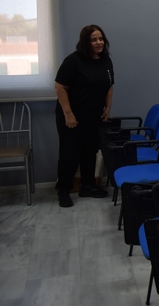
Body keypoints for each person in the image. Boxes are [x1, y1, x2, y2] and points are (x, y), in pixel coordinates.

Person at [55, 25, 114, 208]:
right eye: (94, 40)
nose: (99, 43)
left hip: (93, 116)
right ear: (85, 42)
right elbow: (60, 87)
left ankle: (88, 186)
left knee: (90, 151)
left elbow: (109, 86)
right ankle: (63, 190)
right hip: (72, 117)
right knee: (70, 154)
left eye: (101, 39)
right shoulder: (74, 61)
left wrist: (107, 108)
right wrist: (68, 114)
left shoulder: (106, 60)